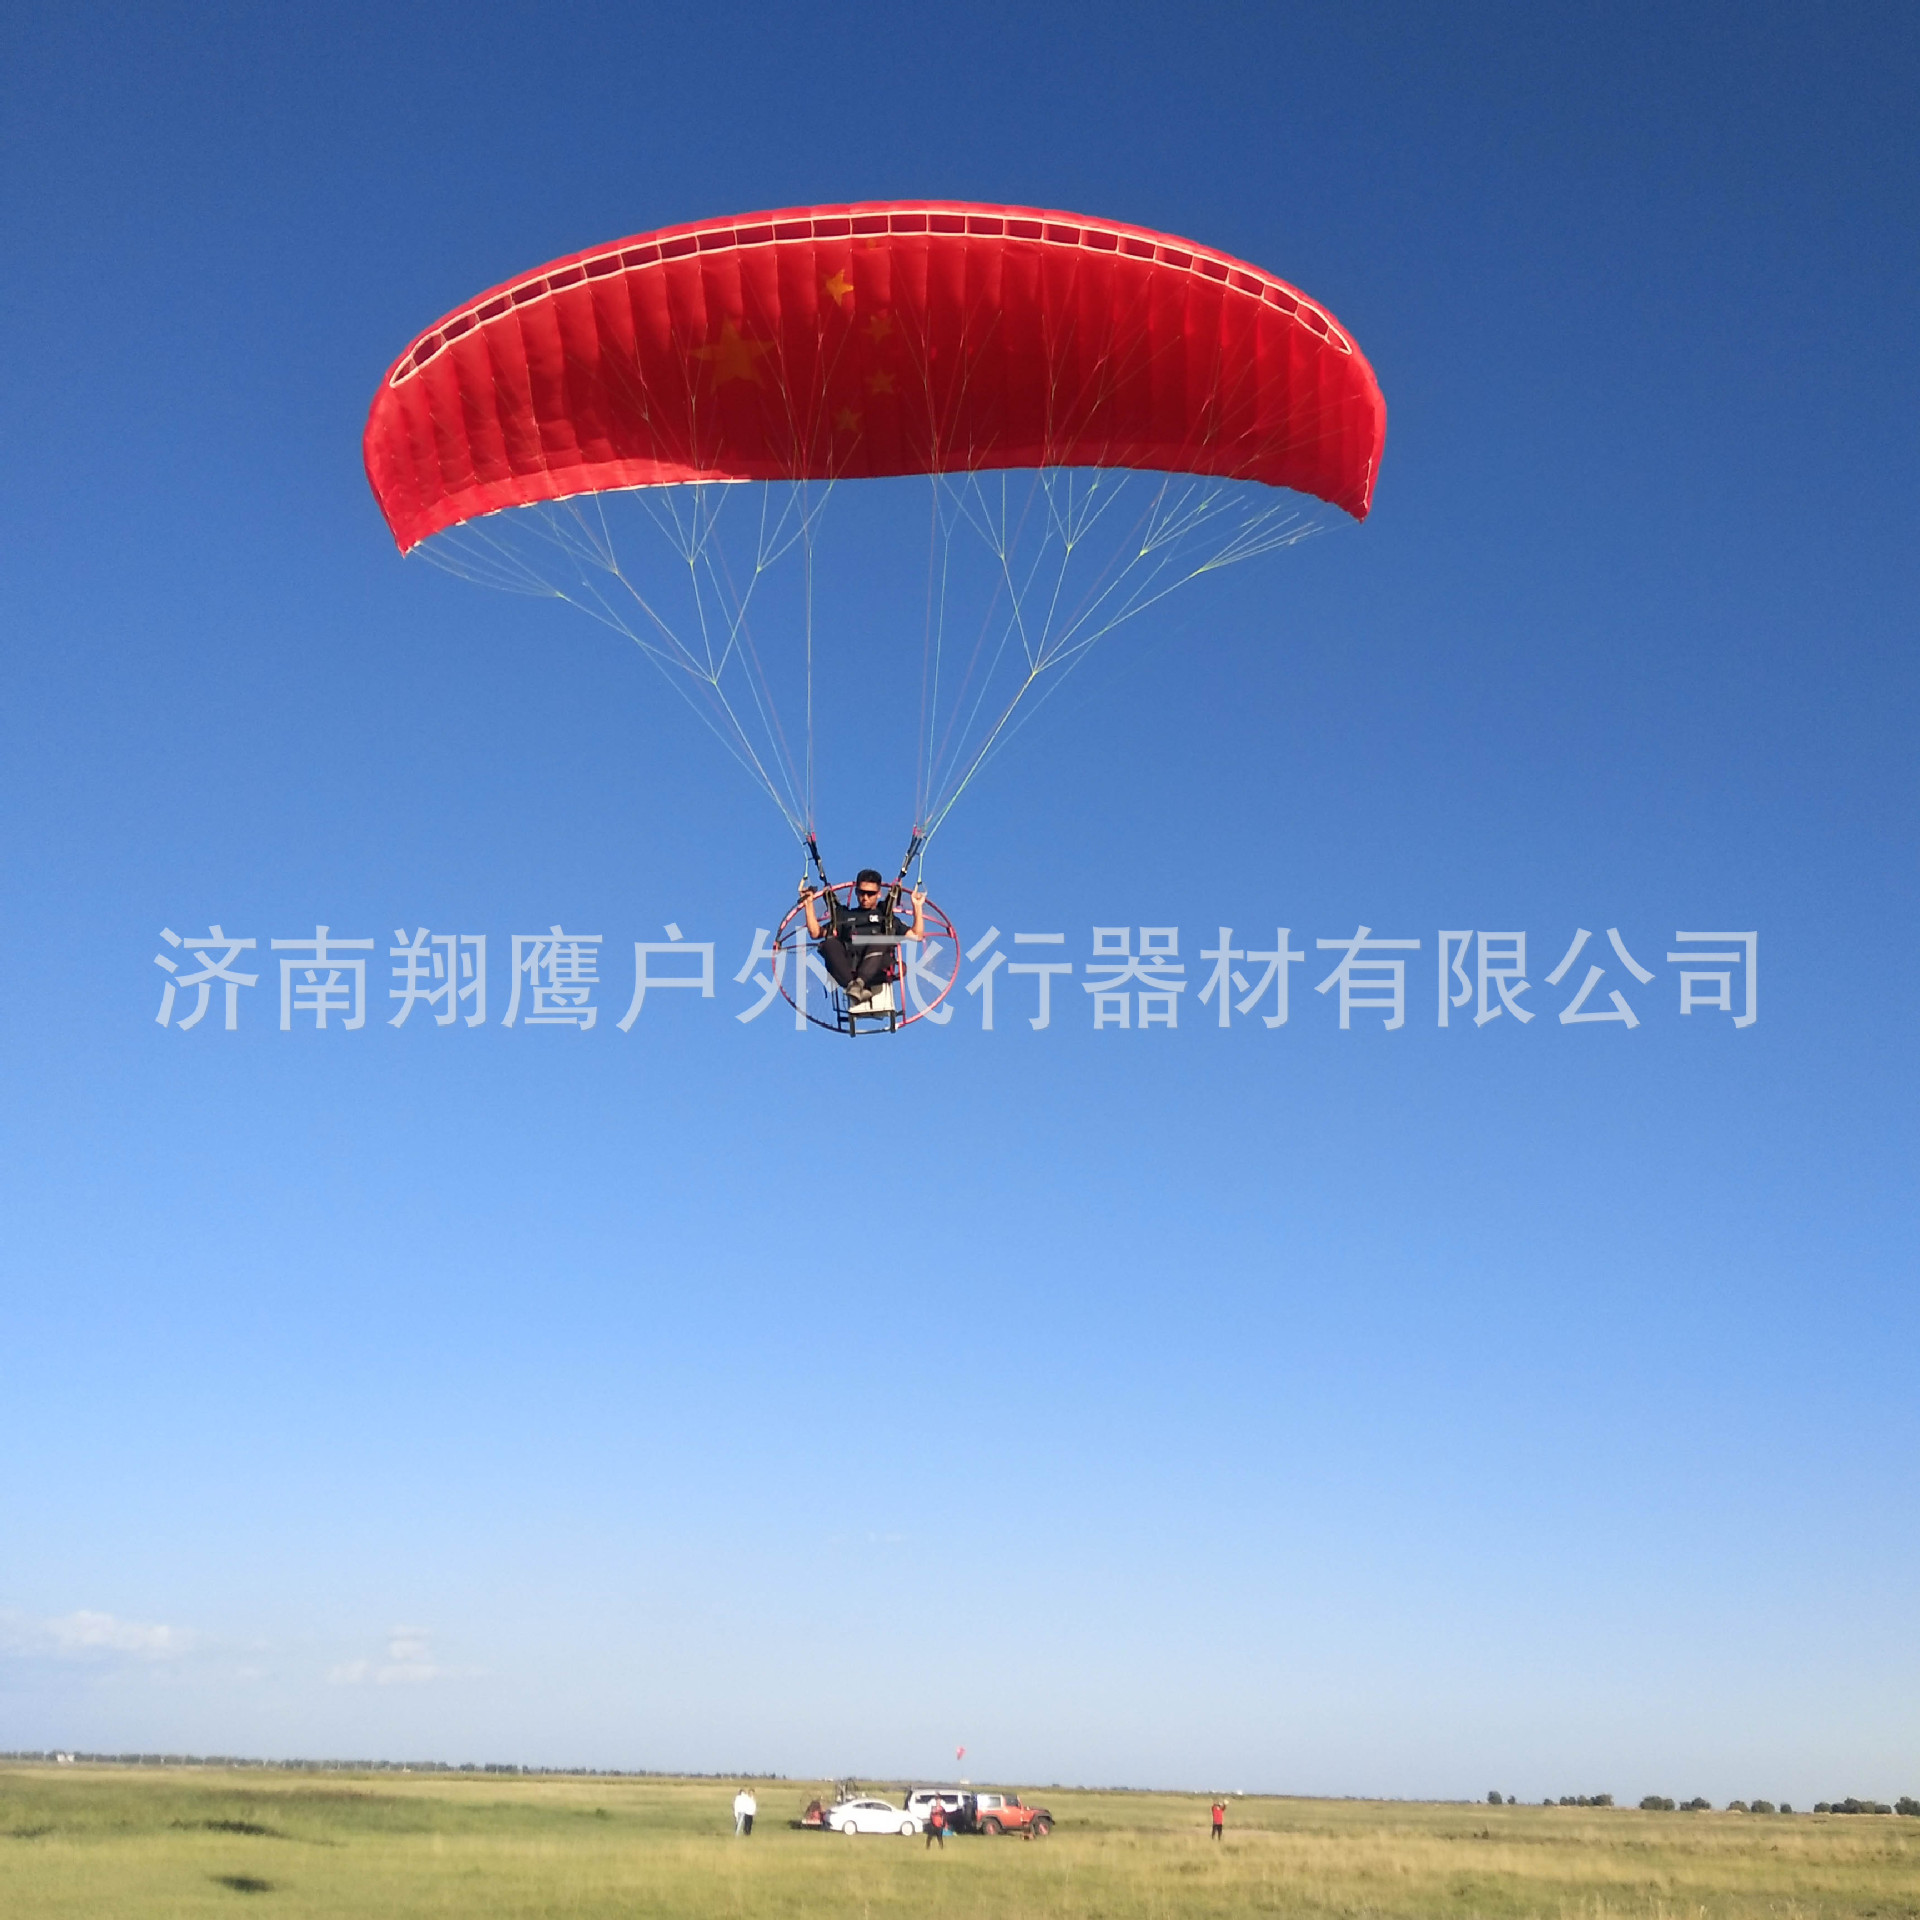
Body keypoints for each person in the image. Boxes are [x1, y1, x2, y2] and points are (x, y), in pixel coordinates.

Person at [801, 870, 928, 1003]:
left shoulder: (885, 918)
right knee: (829, 943)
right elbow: (816, 933)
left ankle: (858, 985)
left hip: (877, 969)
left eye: (870, 894)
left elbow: (916, 935)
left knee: (881, 938)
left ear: (879, 894)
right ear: (856, 892)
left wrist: (917, 906)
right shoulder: (845, 917)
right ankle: (853, 986)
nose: (865, 897)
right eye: (861, 892)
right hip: (849, 971)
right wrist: (808, 904)